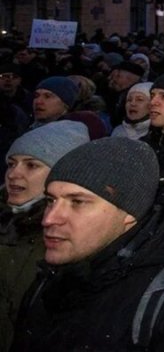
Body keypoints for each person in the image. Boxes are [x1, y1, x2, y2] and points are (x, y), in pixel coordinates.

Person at [10, 138, 164, 351]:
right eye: (51, 201)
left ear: (129, 213)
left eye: (77, 202)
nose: (49, 219)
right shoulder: (47, 281)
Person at [1, 120, 90, 351]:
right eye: (11, 164)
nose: (13, 174)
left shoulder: (66, 237)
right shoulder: (7, 218)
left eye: (31, 165)